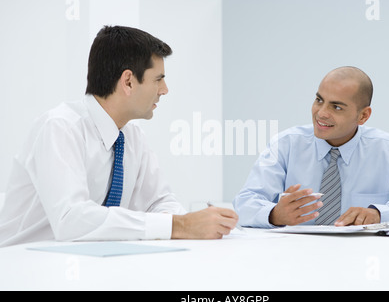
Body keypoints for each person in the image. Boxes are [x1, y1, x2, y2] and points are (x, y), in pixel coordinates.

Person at [0, 26, 238, 247]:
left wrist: (191, 221)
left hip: (86, 265)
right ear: (128, 82)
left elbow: (158, 201)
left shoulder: (132, 136)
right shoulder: (60, 128)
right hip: (25, 266)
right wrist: (179, 226)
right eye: (158, 79)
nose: (164, 90)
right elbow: (70, 220)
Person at [233, 66, 389, 228]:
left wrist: (380, 214)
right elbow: (244, 204)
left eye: (336, 107)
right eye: (319, 100)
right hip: (294, 260)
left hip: (366, 262)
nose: (322, 113)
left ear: (363, 115)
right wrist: (274, 214)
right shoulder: (285, 145)